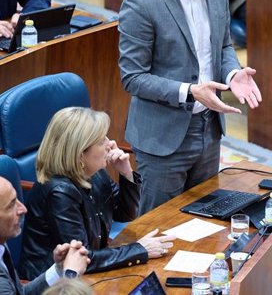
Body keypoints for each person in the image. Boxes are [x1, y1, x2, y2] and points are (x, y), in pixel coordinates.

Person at [118, 0, 262, 214]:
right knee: (161, 227)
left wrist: (233, 72)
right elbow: (132, 77)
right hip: (163, 136)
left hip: (209, 128)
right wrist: (190, 91)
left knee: (206, 220)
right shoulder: (142, 2)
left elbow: (222, 46)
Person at [18, 107, 176, 277]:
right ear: (80, 155)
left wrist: (126, 173)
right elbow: (80, 258)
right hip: (54, 284)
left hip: (90, 268)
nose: (110, 144)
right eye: (101, 141)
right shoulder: (60, 193)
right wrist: (139, 249)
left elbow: (124, 214)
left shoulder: (95, 173)